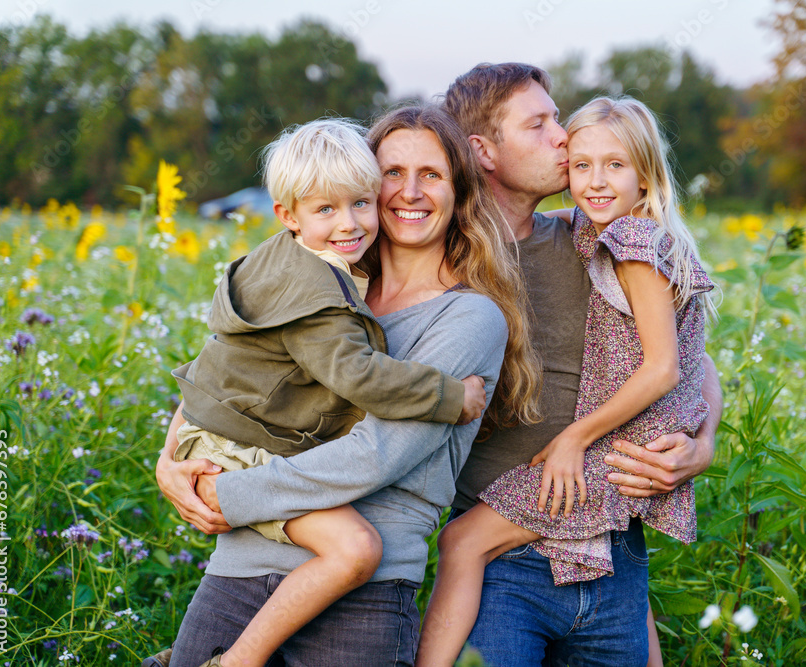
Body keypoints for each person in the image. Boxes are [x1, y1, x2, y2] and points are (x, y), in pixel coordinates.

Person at [153, 105, 541, 666]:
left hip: (363, 595)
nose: (409, 192)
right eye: (392, 173)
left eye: (431, 174)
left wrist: (226, 493)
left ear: (460, 192)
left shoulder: (469, 319)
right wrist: (170, 462)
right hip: (238, 569)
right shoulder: (323, 280)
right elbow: (226, 369)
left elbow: (378, 455)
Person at [418, 95, 718, 666]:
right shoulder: (605, 233)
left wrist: (695, 445)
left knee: (460, 542)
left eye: (614, 165)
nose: (564, 146)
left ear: (647, 175)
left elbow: (674, 365)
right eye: (582, 164)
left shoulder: (628, 243)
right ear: (483, 150)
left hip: (610, 458)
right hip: (606, 480)